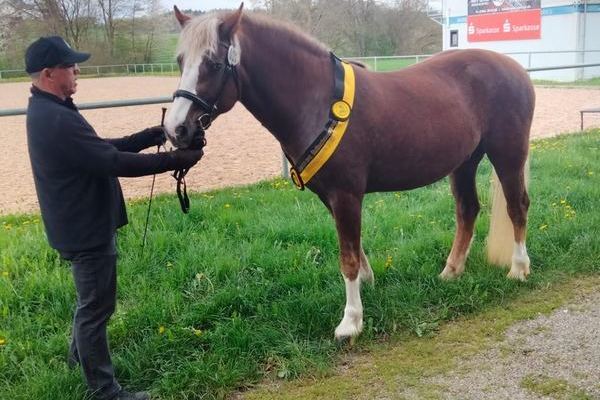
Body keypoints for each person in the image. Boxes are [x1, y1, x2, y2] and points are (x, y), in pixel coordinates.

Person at [25, 36, 202, 400]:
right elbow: (110, 162)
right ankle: (105, 390)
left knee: (90, 302)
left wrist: (149, 135)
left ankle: (80, 358)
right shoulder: (55, 118)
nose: (77, 71)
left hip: (77, 224)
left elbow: (97, 149)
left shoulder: (53, 110)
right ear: (48, 73)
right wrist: (175, 160)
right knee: (96, 307)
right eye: (70, 66)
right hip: (85, 229)